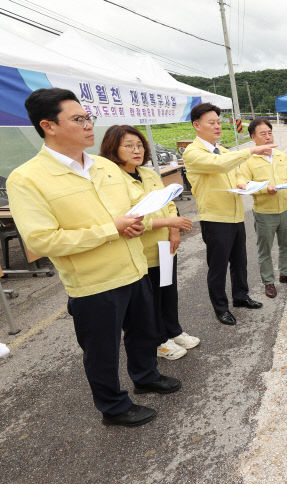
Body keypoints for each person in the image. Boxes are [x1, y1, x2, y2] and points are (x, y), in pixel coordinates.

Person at [8, 88, 180, 427]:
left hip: (134, 268)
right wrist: (111, 229)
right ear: (48, 126)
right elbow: (42, 240)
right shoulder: (27, 178)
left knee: (144, 332)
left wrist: (141, 223)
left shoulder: (104, 166)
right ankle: (113, 407)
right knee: (102, 350)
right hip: (94, 283)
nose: (89, 125)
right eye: (78, 119)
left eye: (89, 118)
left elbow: (131, 213)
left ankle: (145, 376)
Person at [100, 125, 199, 361]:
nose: (137, 150)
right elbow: (127, 221)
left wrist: (173, 229)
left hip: (164, 246)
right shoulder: (113, 180)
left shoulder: (149, 174)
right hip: (139, 252)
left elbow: (169, 203)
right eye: (129, 146)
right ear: (113, 147)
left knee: (168, 291)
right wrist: (166, 221)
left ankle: (173, 330)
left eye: (140, 145)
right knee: (148, 300)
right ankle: (158, 341)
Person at [183, 103, 271, 326]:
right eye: (211, 122)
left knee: (240, 261)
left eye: (218, 121)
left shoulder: (221, 149)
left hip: (235, 215)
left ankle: (241, 296)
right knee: (218, 266)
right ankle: (220, 307)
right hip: (215, 218)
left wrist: (242, 184)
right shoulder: (193, 152)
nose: (217, 126)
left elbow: (236, 172)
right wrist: (251, 150)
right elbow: (220, 166)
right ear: (196, 125)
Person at [238, 118, 287, 298]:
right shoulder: (248, 161)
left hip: (284, 209)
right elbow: (244, 183)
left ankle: (285, 273)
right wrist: (265, 189)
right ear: (253, 137)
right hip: (264, 212)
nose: (267, 137)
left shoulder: (281, 156)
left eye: (269, 132)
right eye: (263, 134)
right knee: (265, 249)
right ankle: (268, 281)